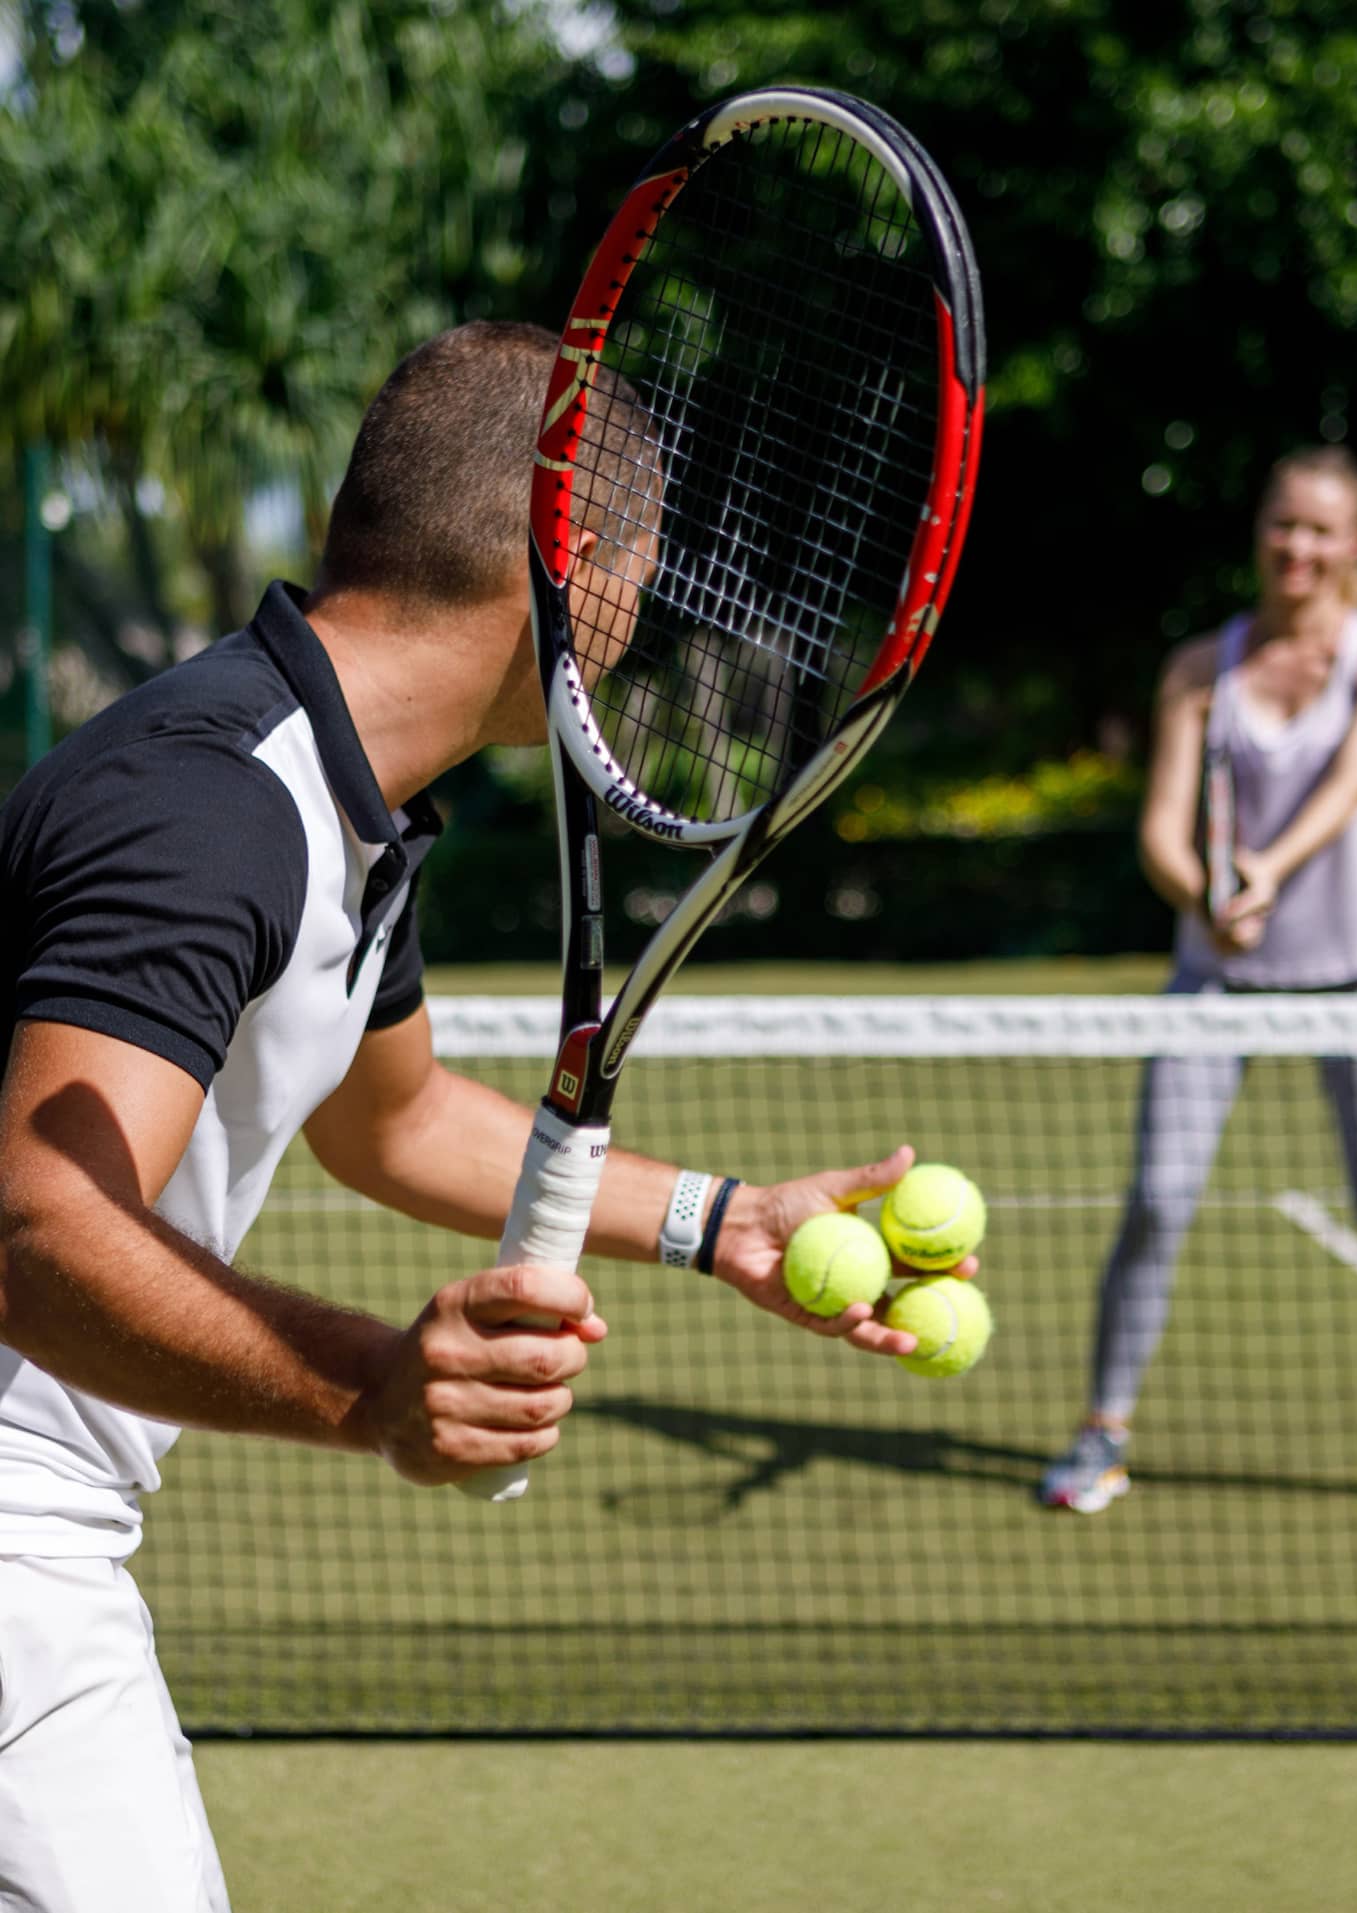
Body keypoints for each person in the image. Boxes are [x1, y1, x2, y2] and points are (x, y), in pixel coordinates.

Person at [0, 320, 953, 1911]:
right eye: (644, 558)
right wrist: (374, 1384)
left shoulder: (340, 799)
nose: (645, 608)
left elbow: (396, 1117)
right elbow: (32, 1231)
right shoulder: (215, 806)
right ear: (570, 553)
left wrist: (722, 1223)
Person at [1039, 444, 1357, 1521]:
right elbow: (1160, 826)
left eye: (1321, 529)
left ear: (1356, 544)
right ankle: (1103, 1431)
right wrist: (1204, 900)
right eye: (1284, 524)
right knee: (1157, 1198)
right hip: (1217, 980)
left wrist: (1269, 872)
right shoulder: (1202, 666)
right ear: (1261, 533)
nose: (1298, 546)